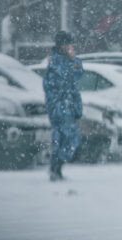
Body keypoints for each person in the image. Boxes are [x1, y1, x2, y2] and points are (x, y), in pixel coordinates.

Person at [43, 30, 83, 181]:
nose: (73, 48)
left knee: (64, 138)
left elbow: (77, 73)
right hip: (61, 106)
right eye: (70, 45)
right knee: (67, 138)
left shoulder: (62, 61)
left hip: (64, 106)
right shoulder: (57, 63)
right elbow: (70, 77)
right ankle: (56, 167)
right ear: (63, 45)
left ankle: (56, 168)